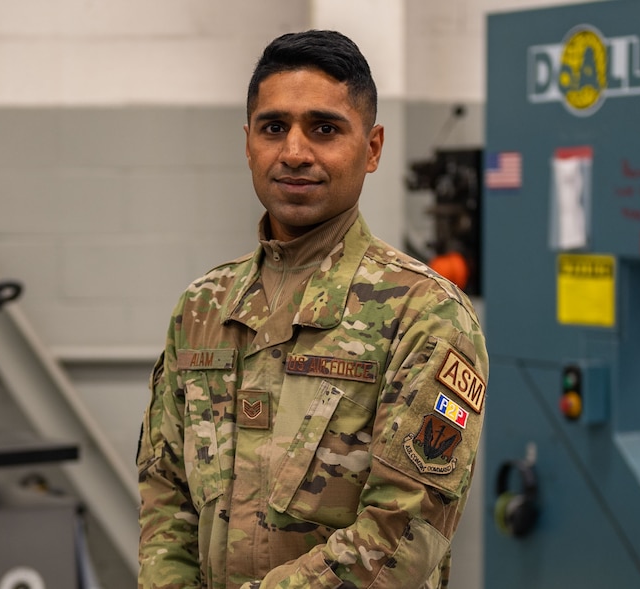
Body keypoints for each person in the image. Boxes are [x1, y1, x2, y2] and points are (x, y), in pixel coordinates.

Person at [137, 29, 488, 589]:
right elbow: (165, 496)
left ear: (371, 149)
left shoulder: (423, 313)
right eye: (274, 128)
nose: (295, 153)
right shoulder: (203, 307)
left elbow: (403, 534)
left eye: (324, 129)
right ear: (248, 142)